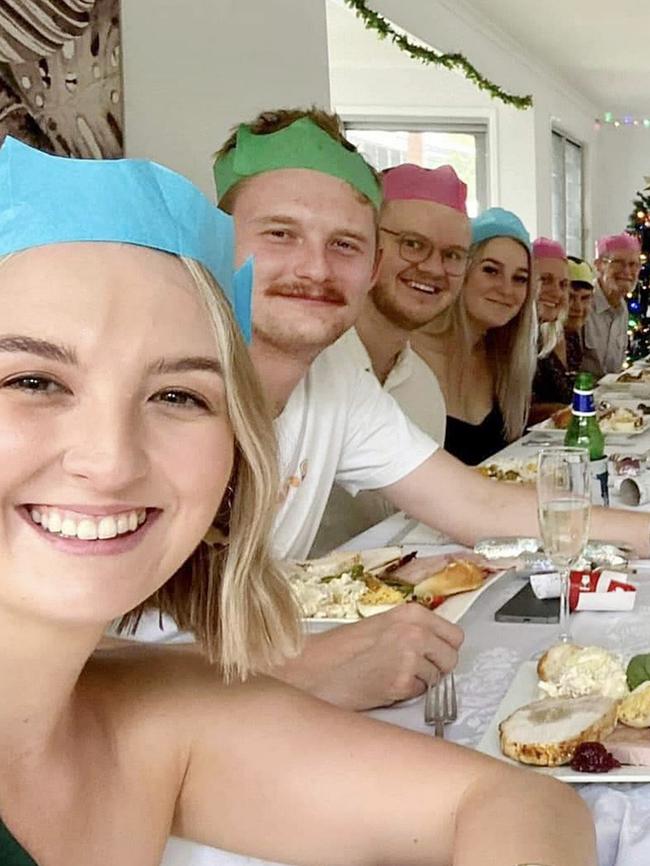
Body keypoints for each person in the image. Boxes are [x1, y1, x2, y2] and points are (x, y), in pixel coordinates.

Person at [0, 136, 598, 866]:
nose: (110, 459)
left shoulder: (149, 714)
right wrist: (298, 667)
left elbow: (521, 804)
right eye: (31, 381)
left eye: (177, 395)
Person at [211, 109, 650, 714]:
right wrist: (300, 669)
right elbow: (76, 654)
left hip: (247, 696)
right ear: (213, 238)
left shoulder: (338, 378)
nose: (315, 268)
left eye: (344, 244)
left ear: (368, 265)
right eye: (280, 233)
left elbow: (476, 504)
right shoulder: (155, 383)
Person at [311, 162, 471, 554]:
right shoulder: (307, 366)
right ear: (369, 247)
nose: (433, 268)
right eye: (413, 244)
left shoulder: (424, 388)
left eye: (452, 255)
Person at [413, 207, 536, 465]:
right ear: (462, 273)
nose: (506, 289)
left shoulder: (503, 361)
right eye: (491, 270)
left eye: (520, 279)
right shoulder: (411, 355)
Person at [582, 233, 641, 378]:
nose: (627, 271)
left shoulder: (623, 309)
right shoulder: (582, 304)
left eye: (633, 264)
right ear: (599, 265)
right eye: (618, 262)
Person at [529, 237, 572, 423]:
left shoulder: (549, 333)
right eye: (545, 280)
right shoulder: (499, 337)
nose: (557, 293)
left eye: (563, 284)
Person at [565, 256, 596, 372]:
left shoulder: (573, 338)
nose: (578, 307)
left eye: (585, 298)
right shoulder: (539, 344)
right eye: (570, 297)